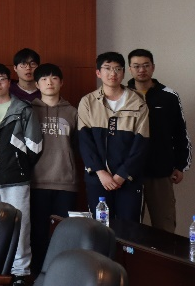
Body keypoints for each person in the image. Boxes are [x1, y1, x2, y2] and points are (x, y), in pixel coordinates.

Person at [0, 63, 41, 286]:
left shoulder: (23, 109)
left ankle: (20, 274)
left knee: (20, 227)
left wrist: (18, 163)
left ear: (9, 82)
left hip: (16, 179)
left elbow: (35, 147)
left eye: (2, 78)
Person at [78, 52, 149, 223]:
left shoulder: (138, 102)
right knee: (100, 230)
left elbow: (142, 144)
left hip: (129, 179)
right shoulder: (88, 102)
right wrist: (100, 172)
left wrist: (122, 174)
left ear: (124, 73)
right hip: (98, 179)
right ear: (98, 72)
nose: (113, 73)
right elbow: (85, 142)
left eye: (117, 69)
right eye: (108, 68)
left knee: (130, 230)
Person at [126, 49, 190, 232]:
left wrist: (180, 165)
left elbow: (180, 132)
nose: (141, 70)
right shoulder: (122, 95)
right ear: (130, 69)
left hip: (161, 171)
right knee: (128, 227)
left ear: (153, 67)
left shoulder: (169, 96)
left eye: (146, 65)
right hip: (128, 172)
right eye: (136, 66)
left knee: (164, 226)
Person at [29, 63, 80, 270]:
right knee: (38, 232)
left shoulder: (73, 112)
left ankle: (59, 273)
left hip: (65, 181)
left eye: (54, 78)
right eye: (43, 79)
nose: (49, 82)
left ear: (61, 82)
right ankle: (38, 274)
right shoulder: (28, 111)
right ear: (37, 84)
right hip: (37, 182)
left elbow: (78, 146)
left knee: (63, 233)